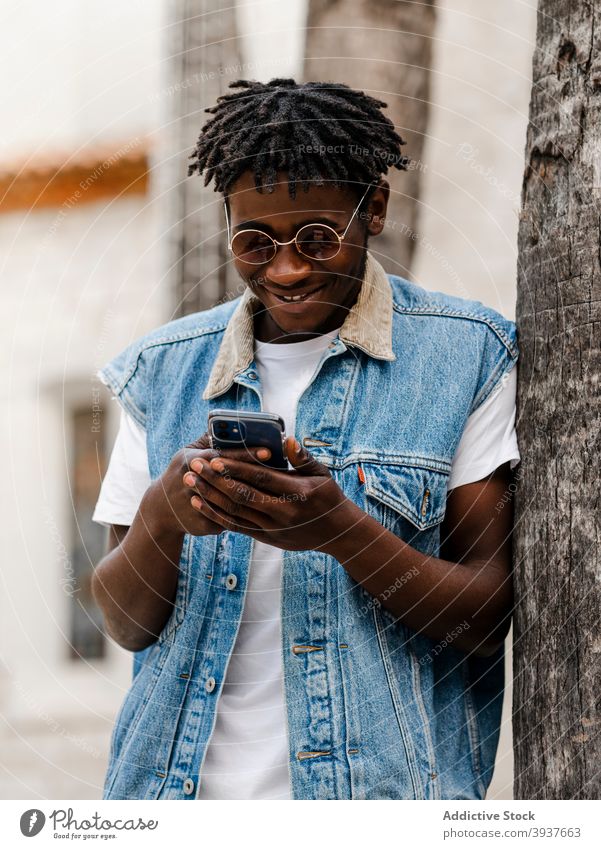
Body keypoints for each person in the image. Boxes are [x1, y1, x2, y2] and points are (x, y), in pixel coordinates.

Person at [91, 78, 520, 801]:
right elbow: (124, 623)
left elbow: (487, 615)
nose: (285, 269)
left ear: (374, 208)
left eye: (316, 238)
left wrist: (339, 530)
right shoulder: (161, 369)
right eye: (254, 242)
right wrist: (165, 512)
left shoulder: (465, 356)